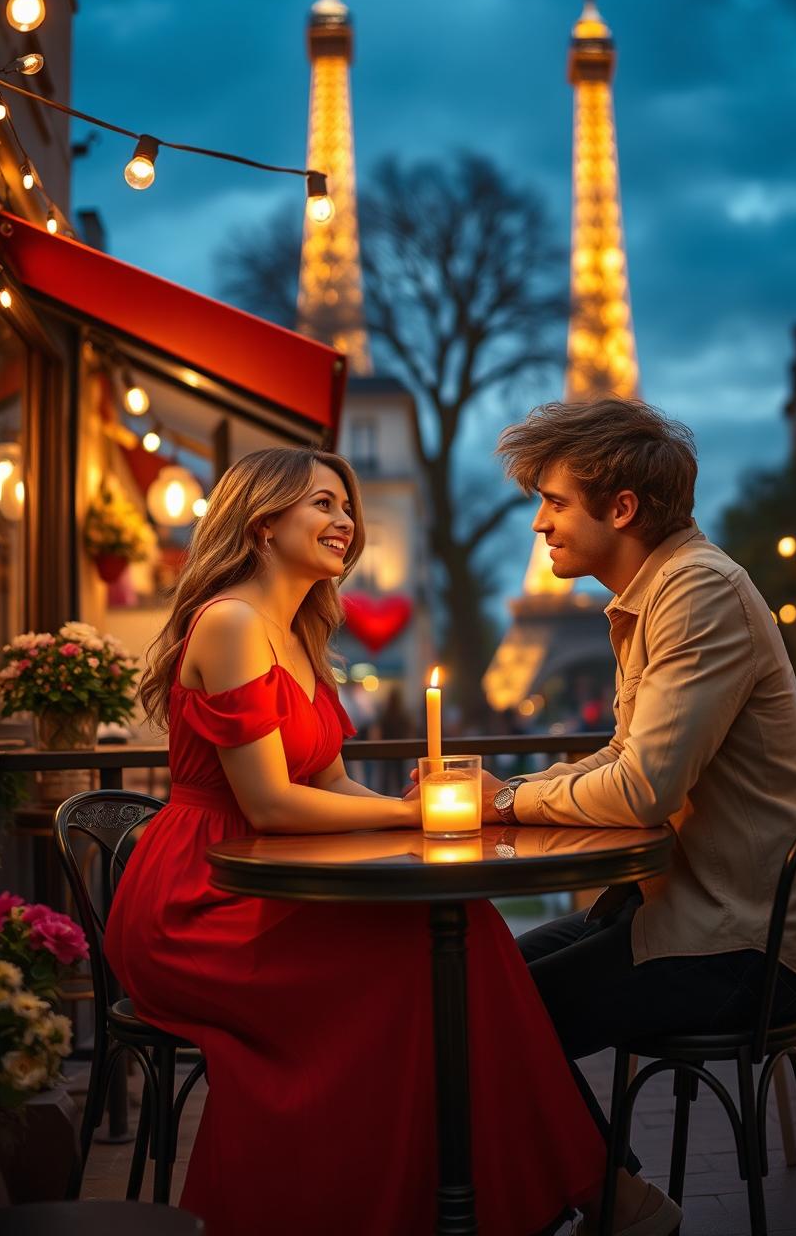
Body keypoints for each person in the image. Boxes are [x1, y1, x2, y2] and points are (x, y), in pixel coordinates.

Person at [105, 447, 614, 1236]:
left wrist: (416, 805)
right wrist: (416, 820)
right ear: (264, 521)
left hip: (270, 879)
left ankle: (486, 1194)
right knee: (426, 958)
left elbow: (334, 785)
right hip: (201, 896)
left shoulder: (302, 631)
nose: (345, 521)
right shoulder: (235, 622)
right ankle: (554, 1188)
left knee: (462, 927)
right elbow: (272, 805)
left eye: (347, 507)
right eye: (322, 505)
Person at [479, 398, 796, 1232]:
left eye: (554, 502)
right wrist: (507, 794)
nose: (539, 525)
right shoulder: (657, 593)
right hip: (686, 909)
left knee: (487, 1019)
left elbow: (642, 789)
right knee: (480, 986)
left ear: (622, 508)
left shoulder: (696, 593)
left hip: (744, 943)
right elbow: (625, 760)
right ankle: (598, 1199)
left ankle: (610, 1206)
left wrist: (507, 800)